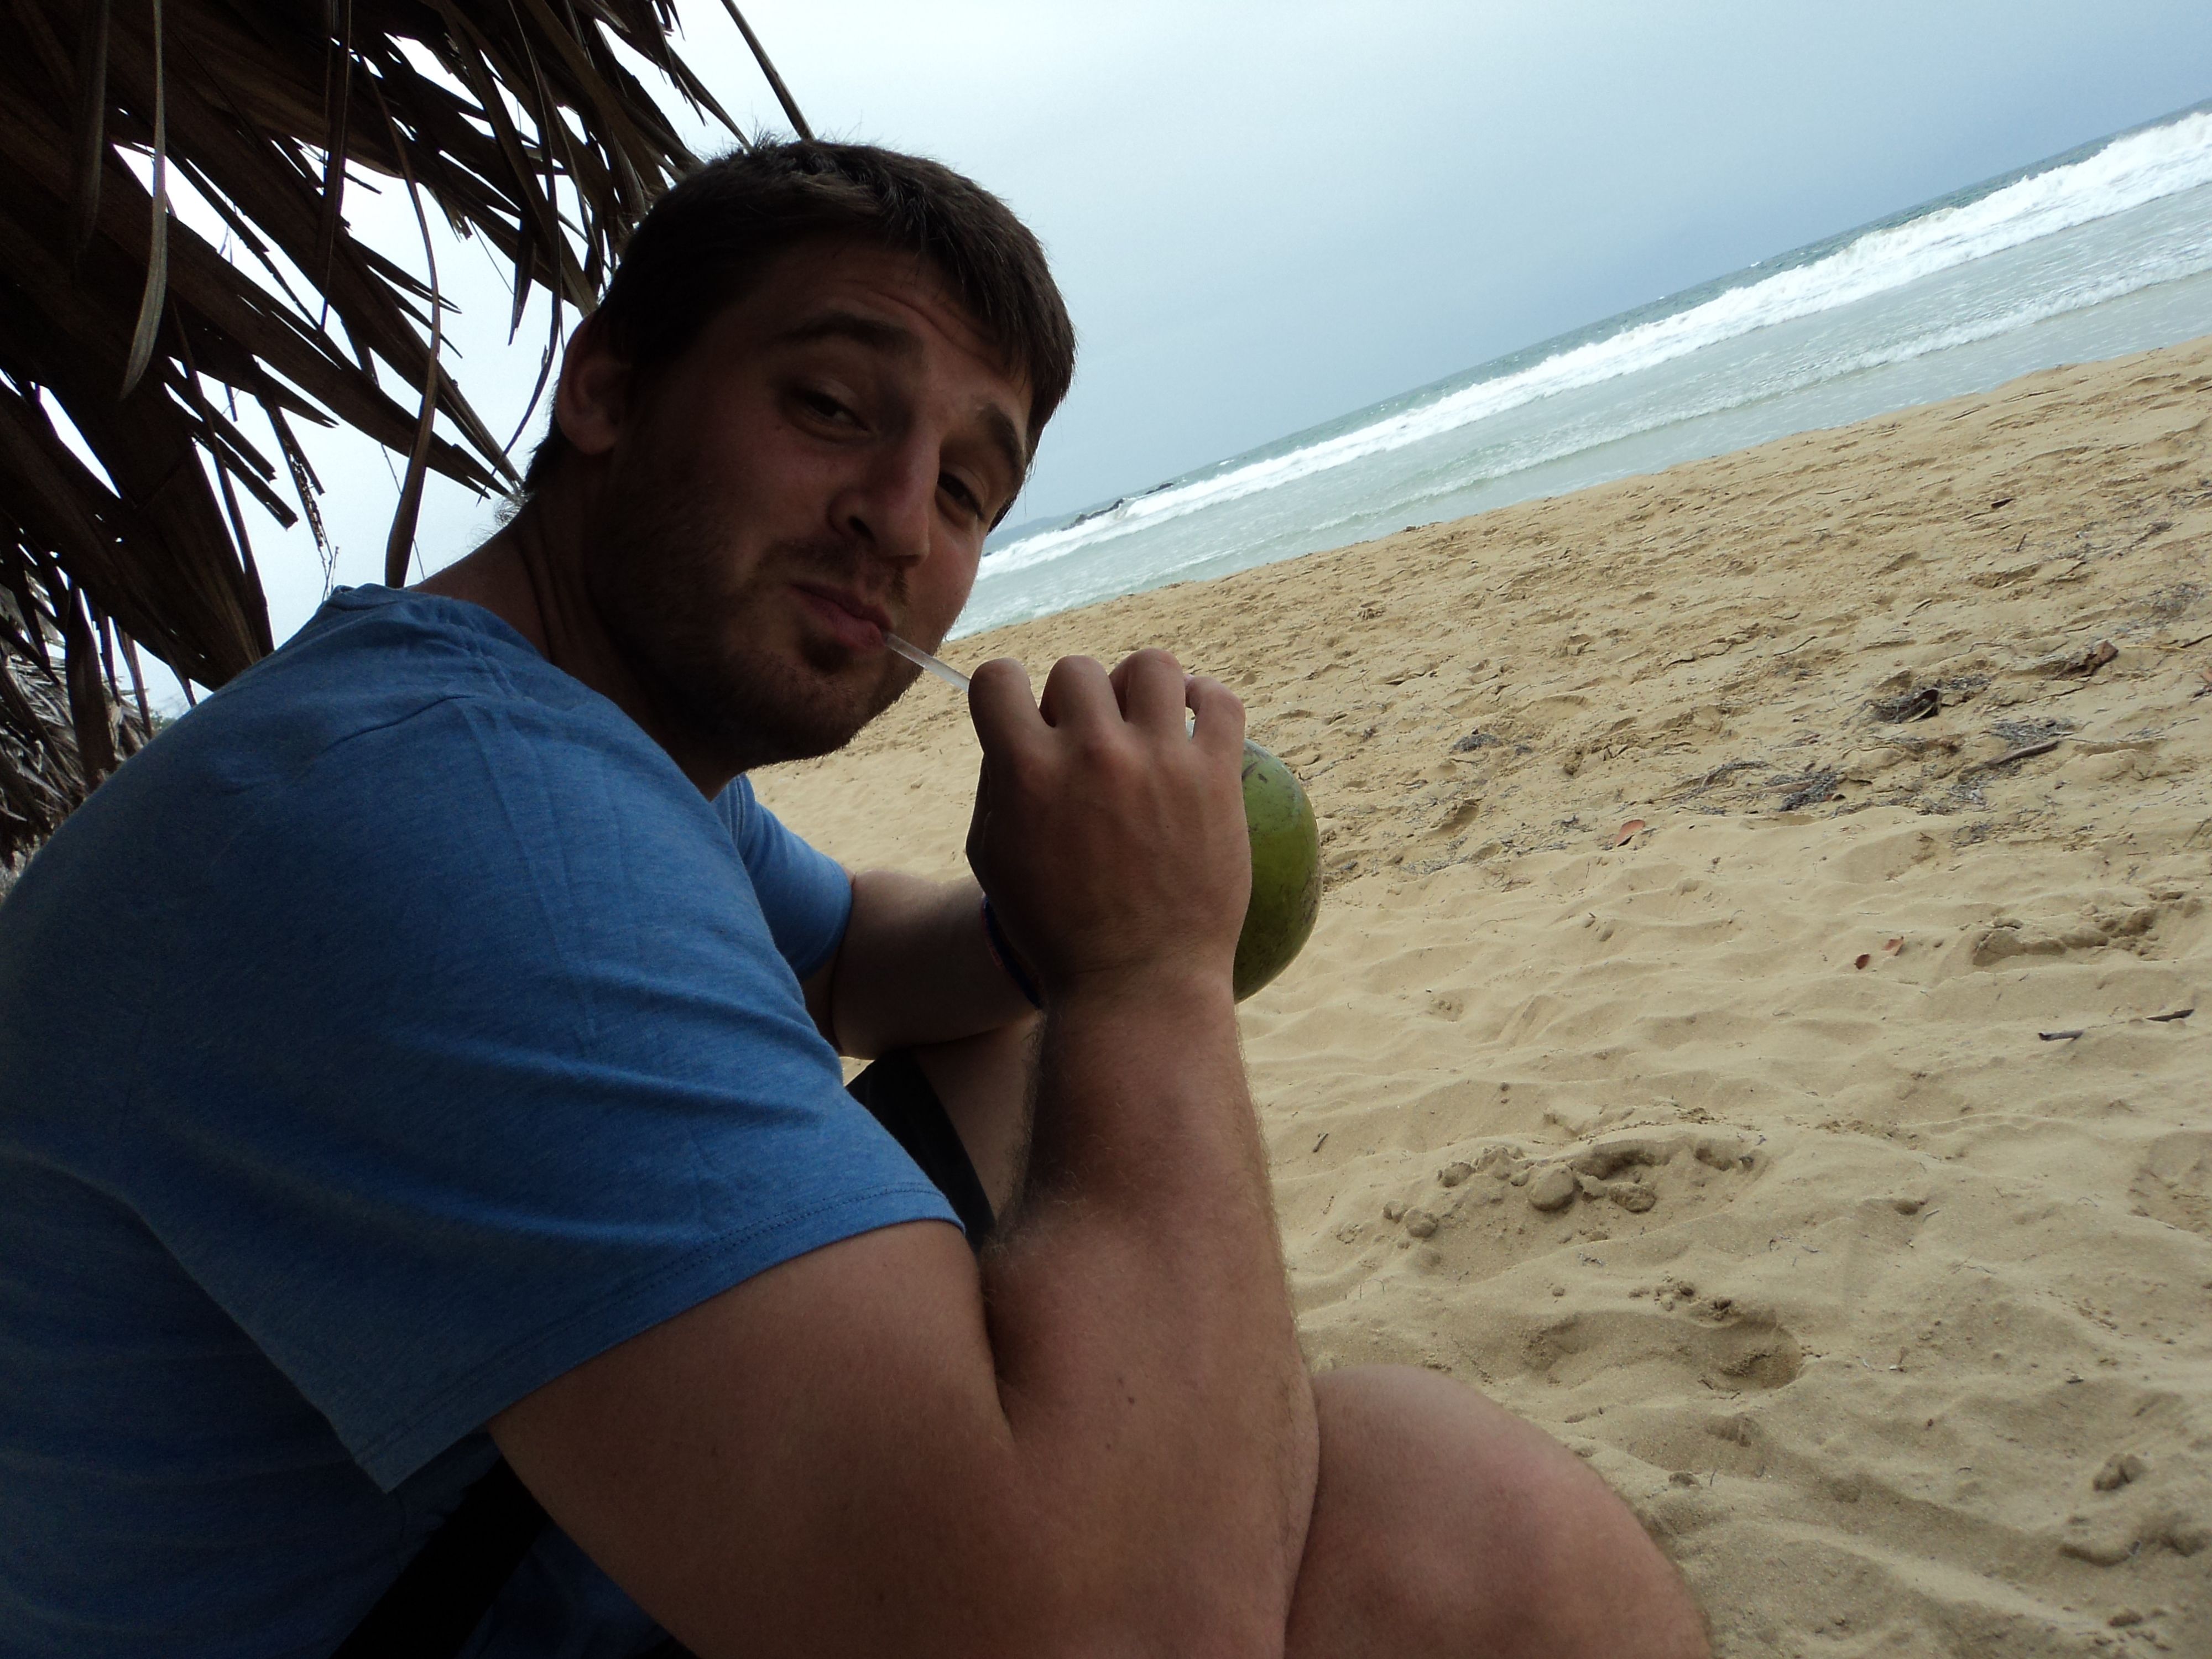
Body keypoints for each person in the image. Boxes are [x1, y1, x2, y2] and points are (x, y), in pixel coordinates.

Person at [0, 141, 1708, 1657]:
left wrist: (1057, 909)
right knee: (1474, 1540)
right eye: (831, 406)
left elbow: (858, 963)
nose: (900, 520)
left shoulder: (554, 744)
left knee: (1012, 1053)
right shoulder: (459, 823)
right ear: (607, 393)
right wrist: (1148, 975)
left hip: (472, 1531)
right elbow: (1127, 1641)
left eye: (967, 488)